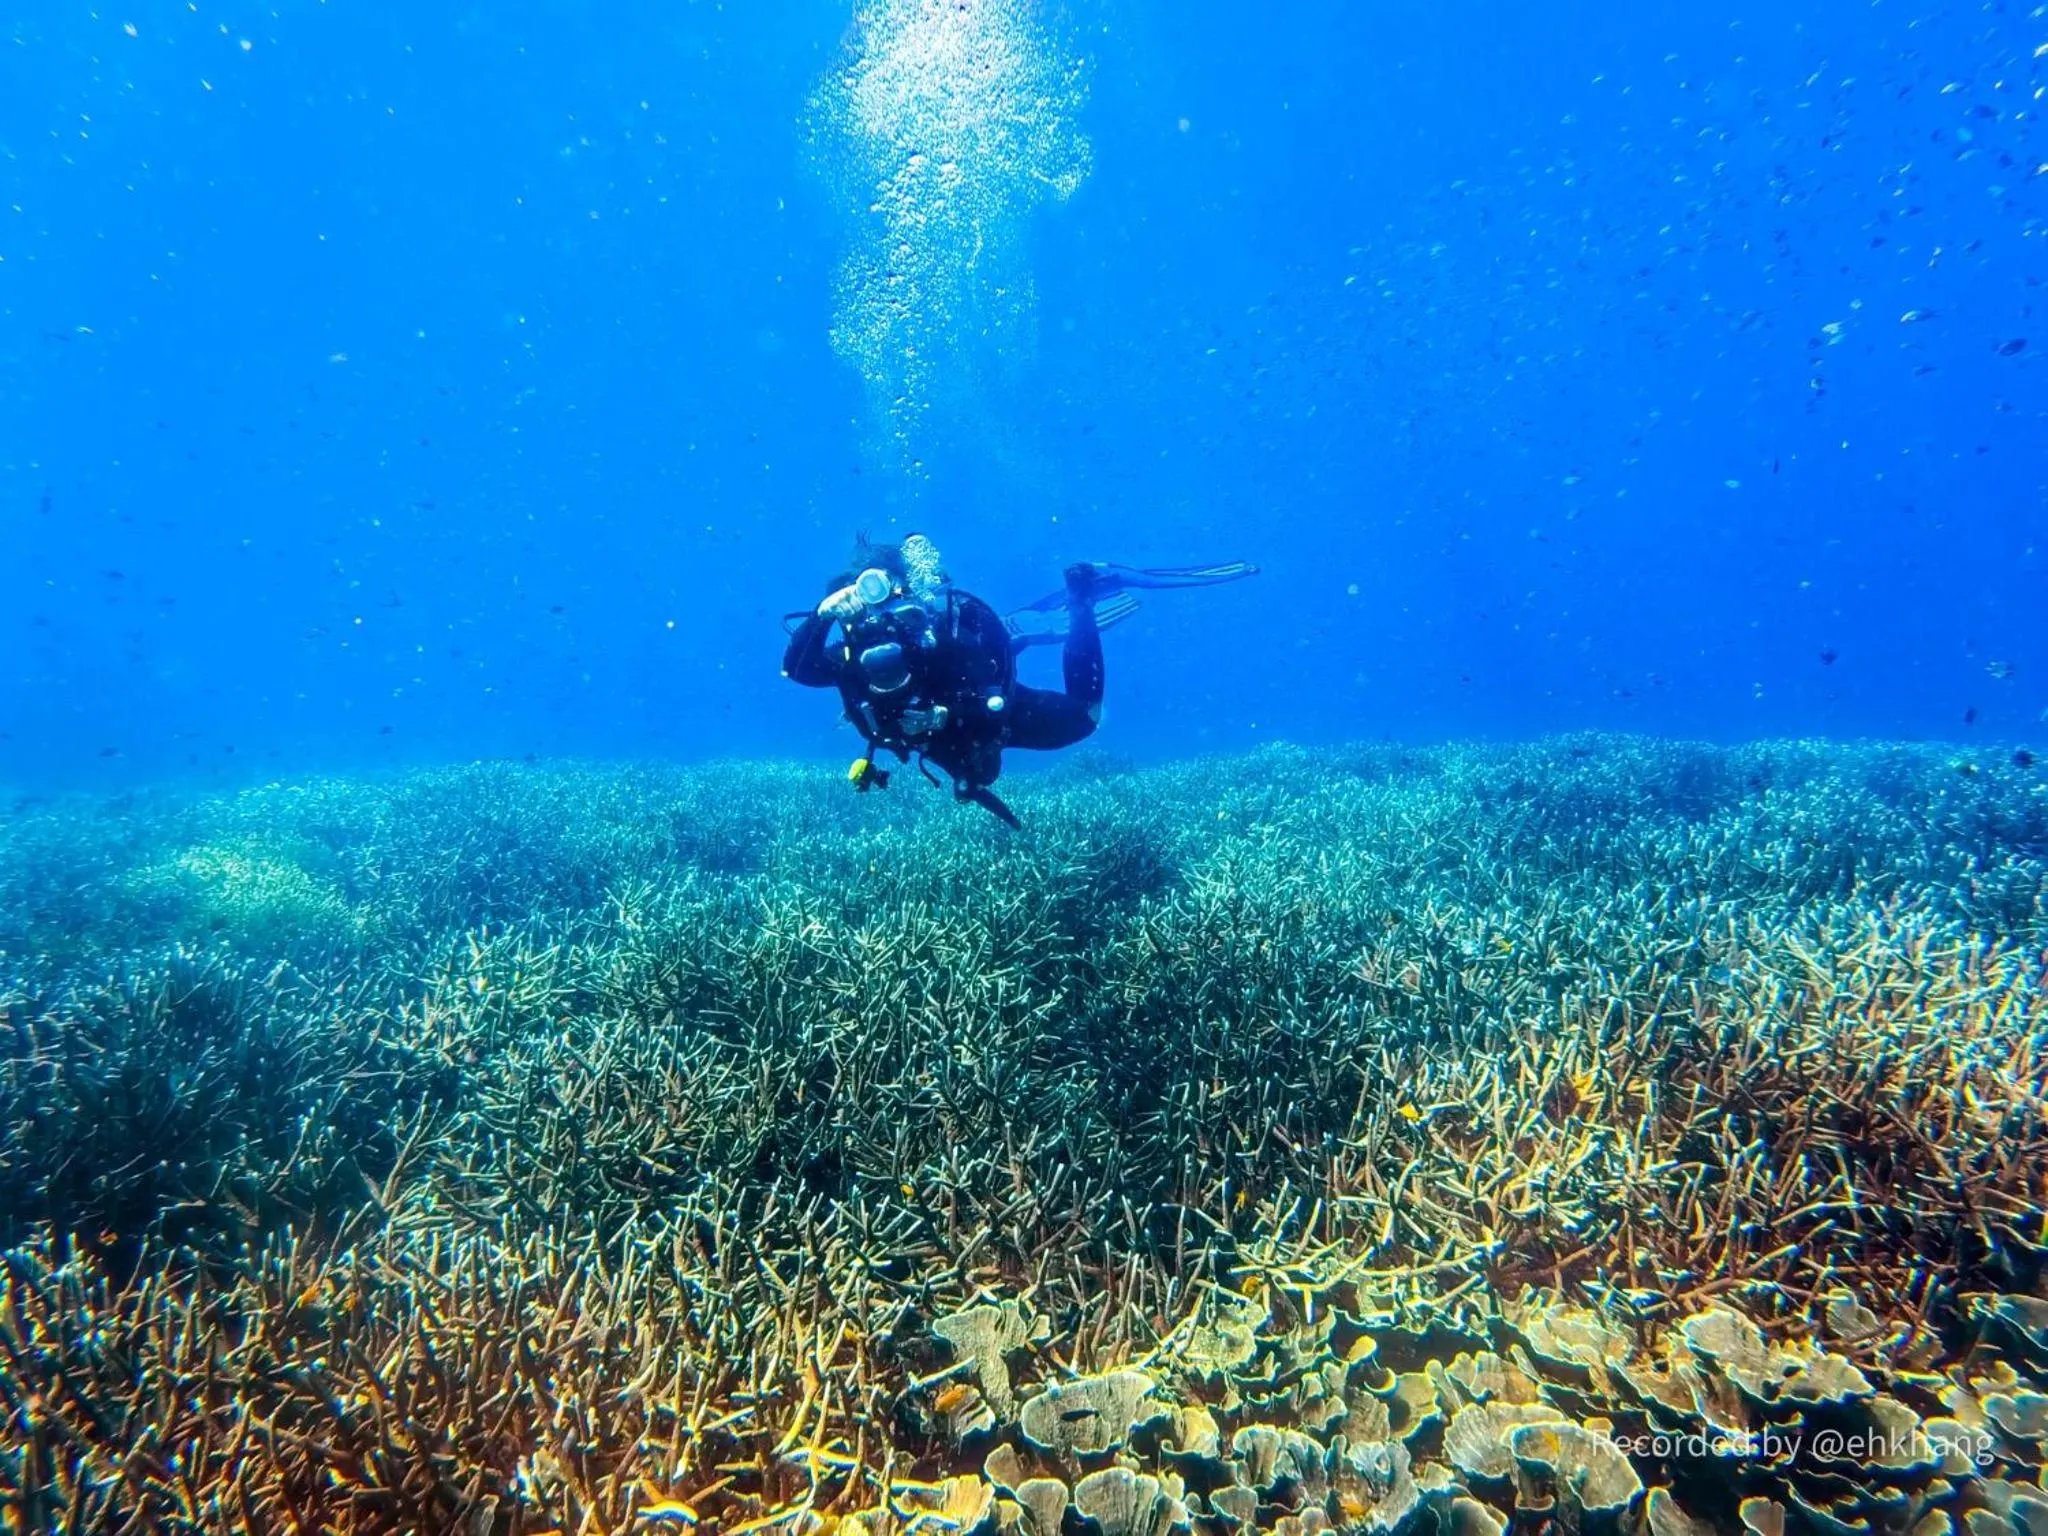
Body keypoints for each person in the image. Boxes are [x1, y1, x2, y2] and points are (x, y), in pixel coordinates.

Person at [782, 532, 1255, 826]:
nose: (879, 617)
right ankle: (1030, 629)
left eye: (886, 596)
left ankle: (1082, 600)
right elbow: (796, 670)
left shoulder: (942, 630)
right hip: (944, 743)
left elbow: (994, 692)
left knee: (1088, 718)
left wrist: (946, 712)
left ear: (908, 591)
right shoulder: (847, 649)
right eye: (861, 602)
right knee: (974, 775)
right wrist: (821, 618)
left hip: (993, 713)